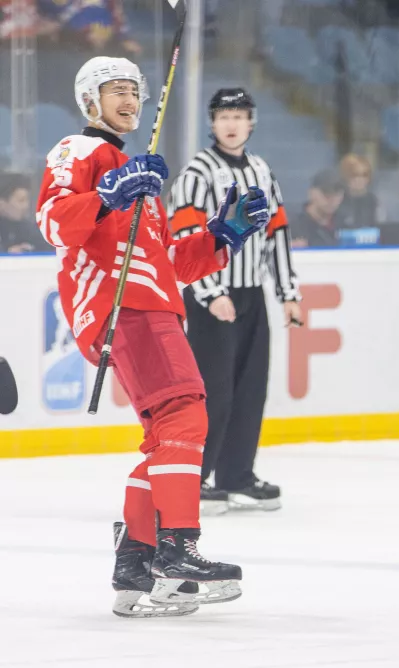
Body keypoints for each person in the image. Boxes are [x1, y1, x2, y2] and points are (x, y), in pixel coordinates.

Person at [36, 56, 269, 617]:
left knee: (166, 436)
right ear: (89, 100)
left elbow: (164, 263)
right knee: (186, 416)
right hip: (124, 309)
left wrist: (222, 236)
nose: (129, 100)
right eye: (114, 90)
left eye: (133, 91)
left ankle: (136, 563)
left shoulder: (136, 173)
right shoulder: (80, 150)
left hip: (149, 306)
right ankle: (177, 549)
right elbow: (52, 221)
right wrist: (107, 195)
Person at [169, 87, 301, 515]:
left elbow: (277, 232)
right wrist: (210, 292)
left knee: (250, 389)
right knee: (214, 392)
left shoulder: (262, 169)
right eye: (224, 116)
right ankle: (196, 478)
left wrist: (288, 294)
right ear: (212, 122)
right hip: (212, 296)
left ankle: (237, 476)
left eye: (239, 116)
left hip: (251, 295)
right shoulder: (197, 172)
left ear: (251, 122)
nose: (231, 124)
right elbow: (184, 234)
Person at [291, 169, 346, 248]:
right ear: (311, 193)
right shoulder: (292, 226)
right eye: (326, 193)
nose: (332, 199)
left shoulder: (345, 224)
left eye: (337, 194)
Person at [0, 171, 47, 253]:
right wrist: (6, 253)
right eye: (21, 200)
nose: (26, 206)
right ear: (2, 203)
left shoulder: (27, 228)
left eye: (27, 200)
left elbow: (46, 247)